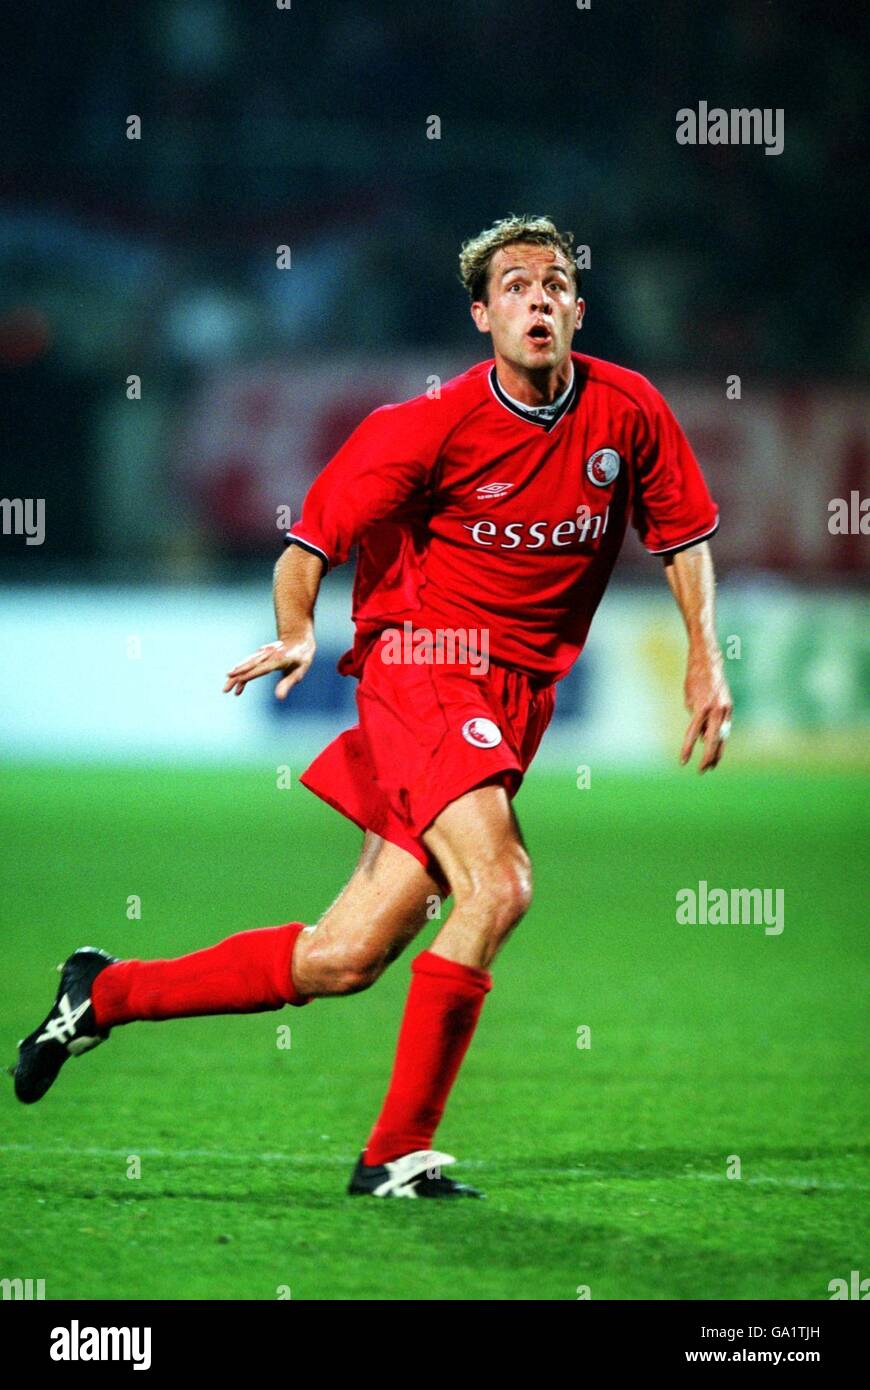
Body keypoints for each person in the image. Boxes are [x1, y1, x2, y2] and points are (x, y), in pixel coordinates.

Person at [12, 215, 732, 1199]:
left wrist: (704, 654)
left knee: (342, 956)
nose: (538, 298)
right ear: (482, 315)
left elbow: (684, 534)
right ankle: (396, 1150)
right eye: (515, 286)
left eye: (555, 283)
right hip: (424, 672)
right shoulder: (422, 427)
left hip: (513, 701)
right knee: (499, 886)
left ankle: (101, 993)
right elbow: (305, 546)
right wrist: (300, 627)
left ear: (577, 307)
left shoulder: (628, 410)